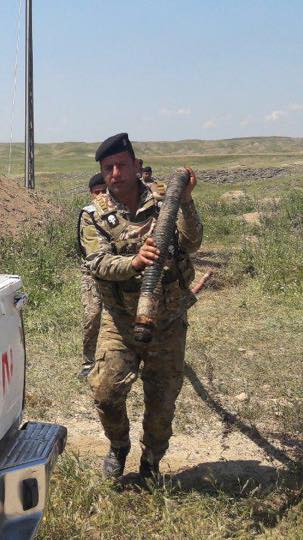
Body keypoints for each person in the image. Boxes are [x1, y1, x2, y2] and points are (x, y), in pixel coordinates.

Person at [78, 132, 203, 479]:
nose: (115, 173)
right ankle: (119, 446)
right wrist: (134, 262)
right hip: (120, 322)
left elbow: (192, 243)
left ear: (135, 165)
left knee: (162, 400)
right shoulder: (94, 216)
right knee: (104, 391)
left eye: (120, 165)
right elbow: (98, 263)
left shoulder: (167, 201)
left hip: (167, 321)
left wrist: (187, 202)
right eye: (108, 168)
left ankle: (151, 461)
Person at [77, 172, 106, 380]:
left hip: (117, 275)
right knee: (93, 316)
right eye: (97, 192)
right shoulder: (88, 214)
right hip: (93, 273)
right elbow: (92, 250)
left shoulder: (118, 214)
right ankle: (88, 362)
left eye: (104, 191)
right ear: (91, 193)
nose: (101, 196)